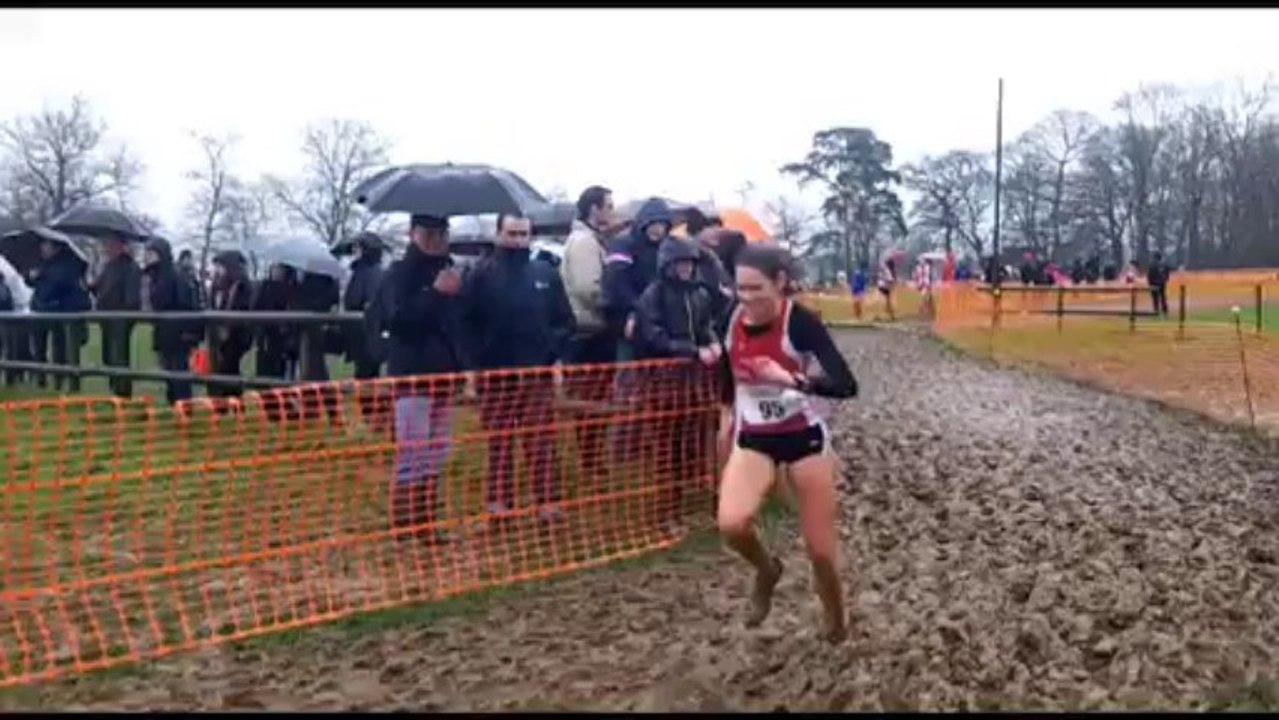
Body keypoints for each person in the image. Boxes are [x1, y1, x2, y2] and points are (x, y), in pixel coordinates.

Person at [716, 243, 859, 643]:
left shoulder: (801, 323)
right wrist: (725, 414)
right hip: (755, 438)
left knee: (821, 552)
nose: (746, 299)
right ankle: (767, 570)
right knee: (732, 524)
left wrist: (792, 380)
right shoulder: (731, 318)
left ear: (780, 283)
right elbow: (729, 369)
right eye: (739, 289)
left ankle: (836, 621)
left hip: (804, 438)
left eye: (755, 289)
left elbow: (847, 384)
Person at [464, 212, 576, 524]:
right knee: (499, 442)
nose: (518, 240)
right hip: (496, 374)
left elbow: (565, 320)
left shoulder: (545, 273)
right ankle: (499, 504)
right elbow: (466, 324)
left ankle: (547, 503)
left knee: (541, 441)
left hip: (536, 373)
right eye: (512, 234)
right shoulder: (481, 275)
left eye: (523, 234)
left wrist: (552, 353)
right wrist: (476, 364)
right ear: (499, 234)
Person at [374, 214, 468, 543]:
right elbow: (399, 320)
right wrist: (435, 295)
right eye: (428, 232)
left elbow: (458, 326)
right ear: (413, 233)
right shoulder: (399, 275)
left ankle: (427, 522)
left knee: (436, 452)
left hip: (443, 374)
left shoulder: (450, 273)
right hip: (413, 374)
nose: (436, 238)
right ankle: (405, 526)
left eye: (441, 232)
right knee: (413, 451)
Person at [634, 235, 722, 531]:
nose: (686, 268)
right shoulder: (653, 295)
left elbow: (705, 325)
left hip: (694, 382)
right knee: (665, 449)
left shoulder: (699, 295)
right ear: (668, 264)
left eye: (689, 263)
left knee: (691, 444)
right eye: (680, 263)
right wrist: (690, 350)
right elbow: (652, 335)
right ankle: (666, 513)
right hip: (664, 383)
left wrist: (713, 343)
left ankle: (691, 505)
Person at [560, 185, 619, 482]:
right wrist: (613, 303)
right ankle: (590, 460)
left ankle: (592, 458)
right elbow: (588, 288)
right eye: (608, 205)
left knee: (595, 399)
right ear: (594, 209)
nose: (612, 210)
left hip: (591, 331)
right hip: (589, 332)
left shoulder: (591, 240)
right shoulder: (584, 242)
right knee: (590, 400)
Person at [602, 197, 672, 362]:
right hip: (626, 321)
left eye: (662, 225)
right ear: (644, 223)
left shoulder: (667, 249)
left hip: (658, 325)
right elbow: (616, 284)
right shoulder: (623, 244)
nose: (658, 229)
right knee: (629, 374)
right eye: (653, 223)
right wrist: (637, 310)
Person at [141, 237, 200, 405]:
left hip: (177, 330)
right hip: (164, 328)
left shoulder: (174, 275)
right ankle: (174, 402)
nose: (147, 256)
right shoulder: (155, 274)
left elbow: (183, 302)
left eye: (151, 253)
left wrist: (188, 332)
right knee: (168, 368)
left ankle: (184, 405)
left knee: (178, 369)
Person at [344, 231, 390, 431]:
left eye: (358, 248)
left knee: (366, 377)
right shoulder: (360, 272)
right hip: (359, 333)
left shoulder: (372, 273)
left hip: (368, 335)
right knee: (365, 377)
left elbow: (370, 302)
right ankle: (374, 418)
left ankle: (376, 419)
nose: (355, 252)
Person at [29, 237, 90, 389]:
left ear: (55, 247)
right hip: (42, 308)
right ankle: (43, 378)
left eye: (46, 245)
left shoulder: (68, 264)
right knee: (42, 346)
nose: (43, 248)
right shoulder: (44, 263)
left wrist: (42, 276)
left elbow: (58, 283)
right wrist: (31, 277)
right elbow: (35, 282)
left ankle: (67, 380)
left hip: (61, 309)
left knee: (63, 347)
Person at [92, 233, 143, 399]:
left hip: (120, 316)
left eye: (111, 245)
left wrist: (126, 313)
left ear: (122, 246)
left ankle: (122, 391)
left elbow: (132, 296)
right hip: (106, 316)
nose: (107, 249)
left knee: (120, 355)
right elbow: (99, 286)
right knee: (108, 354)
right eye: (106, 245)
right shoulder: (108, 266)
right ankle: (113, 386)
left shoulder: (131, 267)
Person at [252, 263, 300, 422]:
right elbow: (256, 308)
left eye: (279, 268)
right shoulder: (265, 286)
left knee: (284, 373)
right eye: (274, 268)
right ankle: (270, 409)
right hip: (267, 336)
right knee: (265, 371)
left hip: (284, 338)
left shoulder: (293, 288)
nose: (276, 271)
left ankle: (287, 407)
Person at [207, 250, 254, 404]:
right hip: (223, 332)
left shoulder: (240, 285)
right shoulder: (221, 285)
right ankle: (225, 401)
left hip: (236, 334)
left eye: (220, 266)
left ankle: (234, 401)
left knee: (230, 367)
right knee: (222, 367)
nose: (218, 270)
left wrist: (228, 326)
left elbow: (241, 309)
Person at [1147, 251, 1171, 317]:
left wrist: (1149, 283)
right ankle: (1165, 311)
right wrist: (1166, 279)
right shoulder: (1165, 264)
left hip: (1154, 283)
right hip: (1162, 283)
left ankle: (1156, 311)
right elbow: (1167, 272)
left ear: (1154, 257)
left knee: (1155, 298)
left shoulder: (1151, 264)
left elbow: (1149, 275)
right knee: (1163, 297)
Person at [876, 254, 897, 321]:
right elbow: (890, 280)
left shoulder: (885, 270)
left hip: (882, 286)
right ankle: (891, 316)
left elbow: (889, 279)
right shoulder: (889, 270)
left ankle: (881, 316)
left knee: (882, 301)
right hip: (886, 287)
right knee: (888, 302)